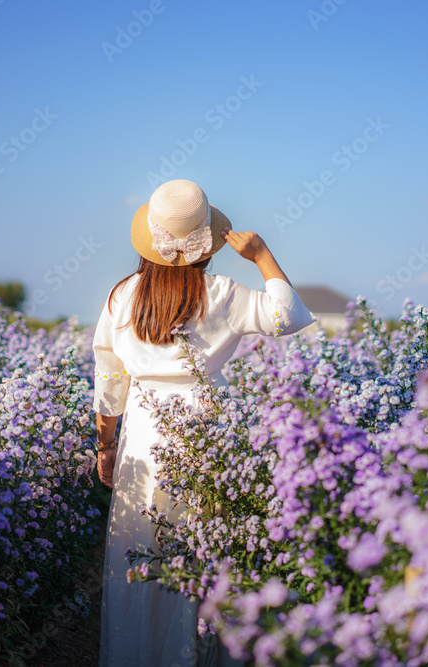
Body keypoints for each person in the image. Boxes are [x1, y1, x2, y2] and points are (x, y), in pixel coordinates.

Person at [93, 179, 315, 666]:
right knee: (202, 546)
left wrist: (105, 448)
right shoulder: (224, 293)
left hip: (143, 434)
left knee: (140, 544)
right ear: (208, 241)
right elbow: (290, 315)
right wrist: (261, 256)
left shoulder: (122, 297)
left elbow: (110, 384)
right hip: (203, 430)